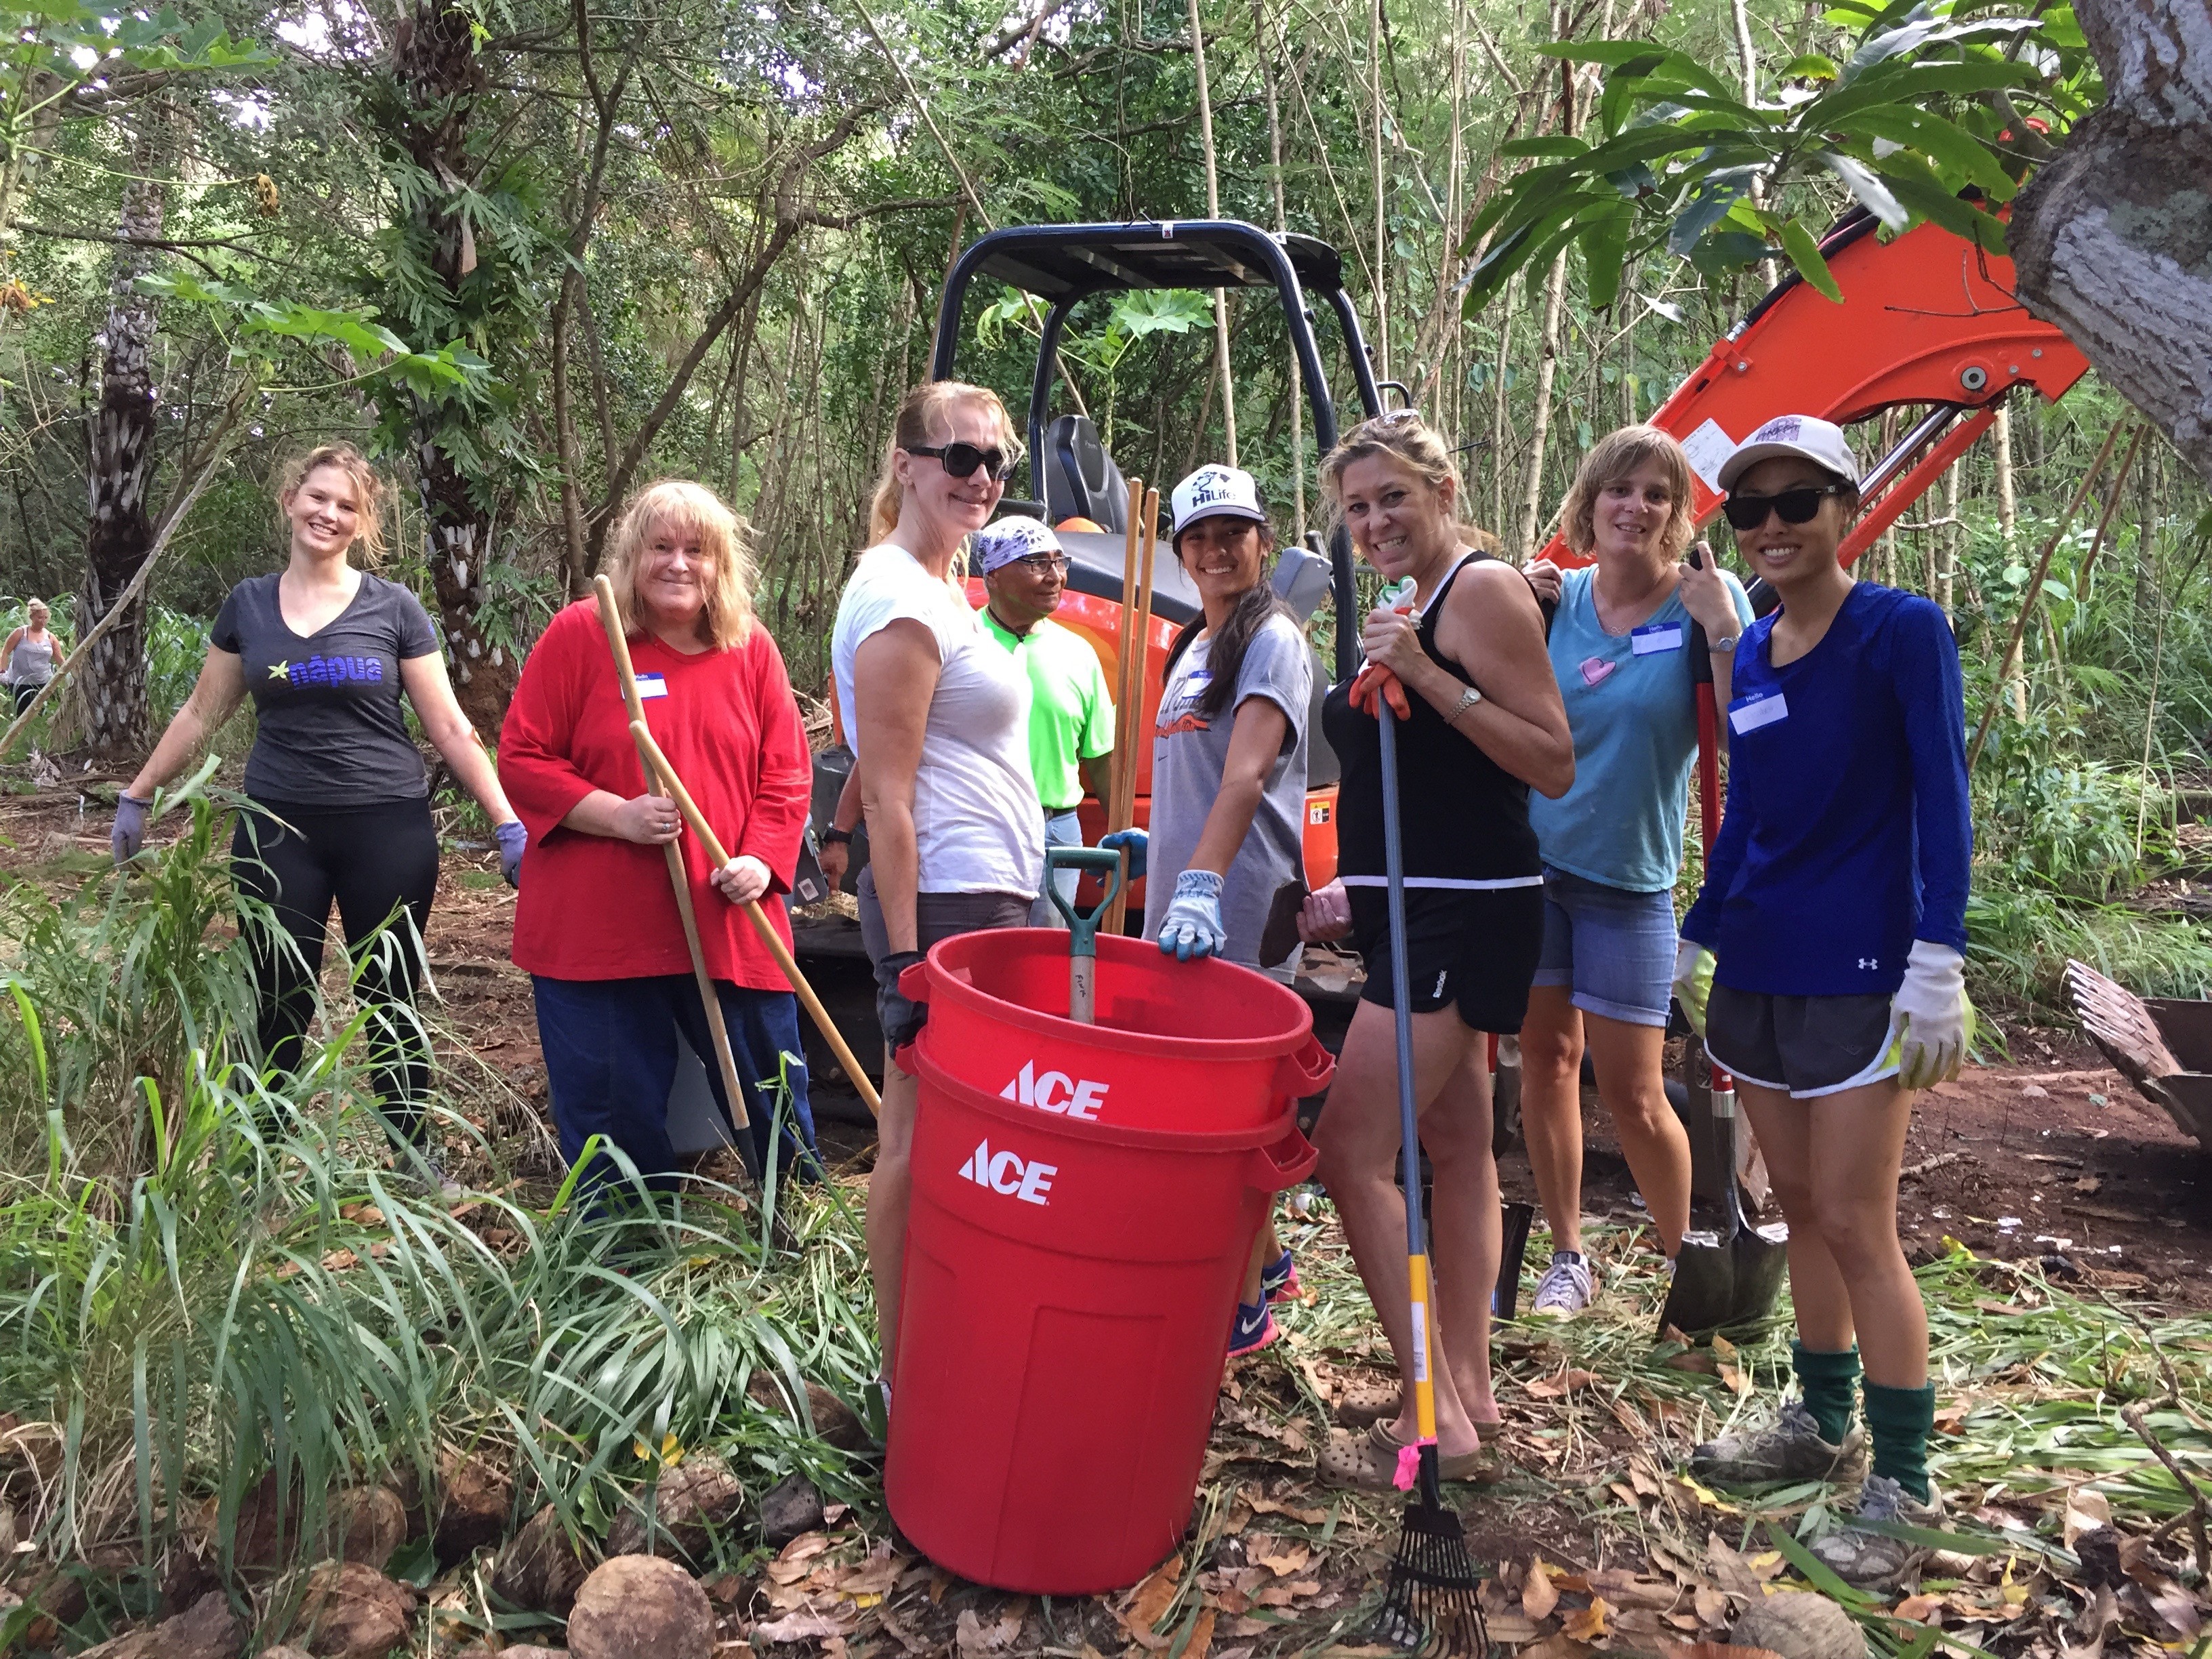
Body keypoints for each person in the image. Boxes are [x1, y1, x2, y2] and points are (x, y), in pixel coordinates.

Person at [1673, 415, 1970, 1584]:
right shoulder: (1751, 651)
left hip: (1862, 968)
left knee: (1855, 1220)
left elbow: (1940, 798)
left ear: (1844, 508)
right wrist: (1704, 930)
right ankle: (1817, 1412)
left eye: (1796, 501)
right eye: (1749, 509)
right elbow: (1747, 802)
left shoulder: (1900, 631)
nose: (1772, 525)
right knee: (1797, 1203)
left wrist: (1935, 956)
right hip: (1758, 963)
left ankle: (1899, 1483)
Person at [112, 444, 525, 1176]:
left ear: (363, 523)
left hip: (387, 827)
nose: (328, 514)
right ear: (290, 502)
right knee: (277, 998)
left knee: (390, 996)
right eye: (318, 498)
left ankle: (410, 1153)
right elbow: (202, 714)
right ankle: (258, 1159)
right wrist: (138, 794)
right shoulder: (247, 605)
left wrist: (505, 820)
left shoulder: (394, 608)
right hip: (278, 830)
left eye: (346, 506)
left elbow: (451, 726)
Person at [1303, 411, 1574, 1490]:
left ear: (1443, 487)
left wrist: (1426, 669)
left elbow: (1550, 760)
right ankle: (1467, 1392)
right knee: (1455, 1148)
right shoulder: (1413, 601)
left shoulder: (1485, 592)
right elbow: (1418, 778)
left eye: (1392, 499)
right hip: (1410, 907)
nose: (1374, 523)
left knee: (1349, 1151)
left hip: (1462, 915)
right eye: (1357, 508)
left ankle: (1433, 1416)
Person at [498, 479, 817, 1191]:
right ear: (632, 555)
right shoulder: (584, 634)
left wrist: (762, 862)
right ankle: (627, 1256)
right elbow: (522, 757)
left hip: (727, 914)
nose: (679, 564)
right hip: (600, 925)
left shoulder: (749, 648)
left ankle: (794, 1231)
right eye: (661, 547)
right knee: (612, 1106)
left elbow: (788, 772)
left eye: (696, 550)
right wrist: (619, 816)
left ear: (720, 564)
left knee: (771, 1085)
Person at [832, 381, 1042, 1406]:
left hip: (986, 893)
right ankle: (909, 1365)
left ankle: (956, 1334)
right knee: (917, 1136)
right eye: (961, 457)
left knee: (969, 1136)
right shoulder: (901, 597)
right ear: (909, 463)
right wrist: (910, 961)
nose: (983, 478)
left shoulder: (935, 585)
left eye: (997, 461)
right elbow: (886, 795)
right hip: (949, 904)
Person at [1516, 426, 1757, 1316]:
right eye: (1619, 489)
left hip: (1631, 881)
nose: (1635, 506)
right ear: (1589, 502)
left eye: (1656, 493)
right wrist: (1520, 598)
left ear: (1676, 512)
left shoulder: (1703, 600)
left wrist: (1723, 630)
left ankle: (1688, 1266)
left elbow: (1740, 738)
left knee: (1637, 1091)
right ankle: (1569, 1257)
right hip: (1534, 869)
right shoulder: (1552, 599)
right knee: (1545, 1062)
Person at [1098, 464, 1314, 1355]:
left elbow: (1250, 773)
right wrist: (1167, 849)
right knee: (1200, 1104)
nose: (1218, 550)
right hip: (1192, 900)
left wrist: (1203, 881)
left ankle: (1241, 1306)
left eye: (1234, 533)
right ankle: (1261, 1266)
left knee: (1232, 1111)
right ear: (1182, 553)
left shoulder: (1274, 640)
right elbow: (1196, 774)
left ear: (1264, 542)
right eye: (1200, 537)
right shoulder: (1196, 642)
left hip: (1241, 899)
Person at [971, 515, 1116, 924]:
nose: (1055, 577)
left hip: (1058, 833)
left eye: (1060, 562)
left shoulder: (1078, 653)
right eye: (1037, 564)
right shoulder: (963, 642)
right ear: (994, 575)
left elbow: (1101, 757)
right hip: (984, 828)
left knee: (1049, 958)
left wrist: (1125, 835)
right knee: (989, 954)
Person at [3, 600, 65, 716]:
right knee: (22, 716)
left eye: (45, 618)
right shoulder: (20, 633)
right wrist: (2, 672)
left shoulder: (50, 637)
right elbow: (5, 651)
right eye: (40, 618)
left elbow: (60, 658)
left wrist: (72, 675)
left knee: (44, 716)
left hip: (44, 683)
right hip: (21, 684)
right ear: (32, 617)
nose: (43, 621)